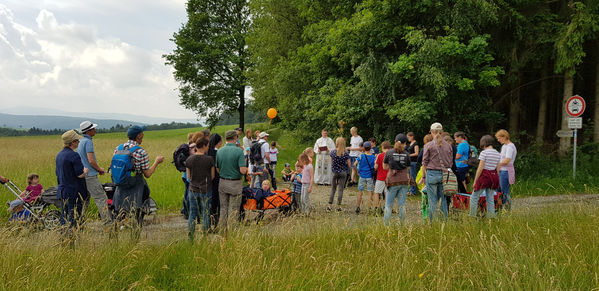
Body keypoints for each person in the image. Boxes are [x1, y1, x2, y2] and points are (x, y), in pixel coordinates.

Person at [112, 125, 164, 228]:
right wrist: (157, 162)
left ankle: (118, 228)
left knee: (119, 208)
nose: (143, 136)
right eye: (142, 134)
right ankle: (137, 229)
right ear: (138, 136)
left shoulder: (118, 148)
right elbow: (147, 174)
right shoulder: (141, 152)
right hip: (135, 183)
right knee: (138, 207)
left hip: (120, 182)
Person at [76, 121, 111, 224]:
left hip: (83, 175)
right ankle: (108, 224)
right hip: (90, 176)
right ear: (89, 131)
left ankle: (79, 223)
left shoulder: (80, 142)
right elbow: (91, 160)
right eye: (93, 129)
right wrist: (99, 169)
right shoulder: (88, 142)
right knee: (101, 198)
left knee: (84, 200)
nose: (95, 130)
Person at [55, 130, 89, 229]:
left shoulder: (59, 155)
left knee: (64, 217)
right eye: (77, 141)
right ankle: (73, 239)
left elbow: (57, 173)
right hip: (74, 192)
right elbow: (80, 174)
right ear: (73, 142)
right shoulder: (74, 155)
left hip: (63, 191)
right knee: (75, 217)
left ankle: (64, 237)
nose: (78, 142)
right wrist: (86, 171)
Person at [215, 130, 247, 231]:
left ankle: (222, 230)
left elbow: (217, 169)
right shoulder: (239, 151)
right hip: (235, 183)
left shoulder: (219, 151)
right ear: (235, 138)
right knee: (234, 209)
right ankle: (232, 231)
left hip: (223, 182)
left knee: (223, 208)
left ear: (225, 139)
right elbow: (242, 170)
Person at [422, 123, 453, 222]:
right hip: (444, 175)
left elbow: (424, 162)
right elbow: (450, 162)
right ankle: (445, 221)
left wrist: (423, 176)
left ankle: (432, 223)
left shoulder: (429, 145)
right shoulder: (448, 146)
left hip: (431, 174)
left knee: (432, 201)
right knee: (443, 199)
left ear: (432, 132)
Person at [185, 137, 214, 241]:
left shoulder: (189, 159)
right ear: (205, 146)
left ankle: (191, 238)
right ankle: (204, 237)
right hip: (206, 189)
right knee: (205, 213)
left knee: (192, 214)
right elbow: (212, 176)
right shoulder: (209, 159)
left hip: (192, 190)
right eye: (208, 146)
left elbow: (188, 177)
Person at [469, 135, 501, 218]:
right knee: (490, 198)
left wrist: (475, 181)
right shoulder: (498, 153)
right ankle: (491, 216)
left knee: (474, 197)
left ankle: (472, 216)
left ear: (483, 143)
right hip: (493, 177)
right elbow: (498, 169)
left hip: (484, 177)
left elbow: (480, 168)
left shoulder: (484, 153)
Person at [382, 134, 411, 225]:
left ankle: (386, 225)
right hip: (404, 181)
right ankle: (402, 225)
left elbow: (384, 167)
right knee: (402, 205)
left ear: (395, 141)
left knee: (388, 205)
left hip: (392, 181)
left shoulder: (389, 153)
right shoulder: (406, 154)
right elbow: (408, 167)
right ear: (405, 143)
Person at [328, 137, 351, 212]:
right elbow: (349, 164)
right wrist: (347, 169)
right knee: (340, 189)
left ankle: (329, 206)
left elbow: (331, 163)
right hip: (343, 172)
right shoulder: (346, 153)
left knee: (333, 189)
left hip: (335, 172)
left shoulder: (332, 152)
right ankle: (338, 206)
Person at [495, 129, 517, 210]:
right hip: (501, 170)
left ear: (504, 137)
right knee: (498, 190)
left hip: (505, 171)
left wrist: (499, 164)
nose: (498, 140)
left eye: (499, 138)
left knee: (504, 190)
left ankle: (507, 209)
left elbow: (507, 160)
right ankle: (499, 207)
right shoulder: (504, 146)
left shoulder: (510, 147)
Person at [354, 141, 376, 214]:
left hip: (362, 176)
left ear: (364, 148)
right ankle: (369, 208)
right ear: (370, 148)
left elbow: (355, 164)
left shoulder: (360, 156)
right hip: (369, 176)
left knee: (360, 191)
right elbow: (375, 166)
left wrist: (358, 170)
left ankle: (358, 206)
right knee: (370, 192)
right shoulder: (373, 157)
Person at [207, 133, 223, 228]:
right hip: (216, 179)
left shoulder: (208, 152)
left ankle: (210, 220)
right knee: (217, 201)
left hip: (208, 180)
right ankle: (216, 221)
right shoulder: (218, 153)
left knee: (211, 201)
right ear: (219, 142)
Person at [374, 141, 392, 215]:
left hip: (380, 177)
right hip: (389, 177)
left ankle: (376, 208)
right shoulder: (392, 156)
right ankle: (386, 208)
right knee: (387, 193)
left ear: (382, 147)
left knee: (377, 193)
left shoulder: (380, 155)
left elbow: (376, 167)